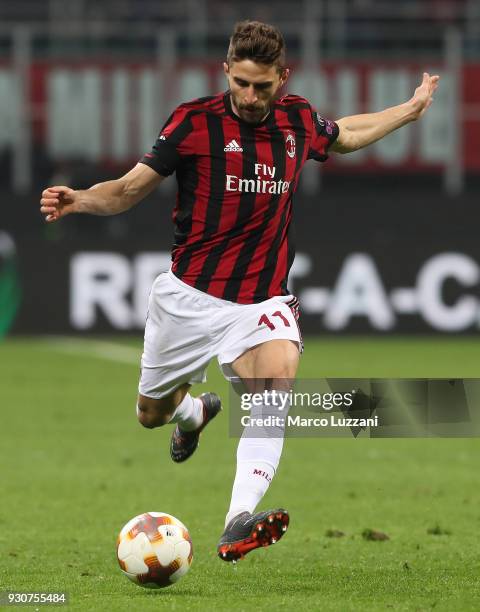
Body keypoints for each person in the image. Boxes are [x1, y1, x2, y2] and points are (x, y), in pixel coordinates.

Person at [40, 20, 439, 563]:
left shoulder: (298, 120)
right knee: (150, 415)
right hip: (187, 298)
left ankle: (237, 520)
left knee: (274, 385)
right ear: (226, 70)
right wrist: (80, 200)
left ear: (283, 78)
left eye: (263, 86)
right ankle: (192, 414)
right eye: (242, 84)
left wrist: (408, 111)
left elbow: (345, 134)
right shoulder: (193, 123)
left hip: (261, 302)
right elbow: (131, 188)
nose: (251, 97)